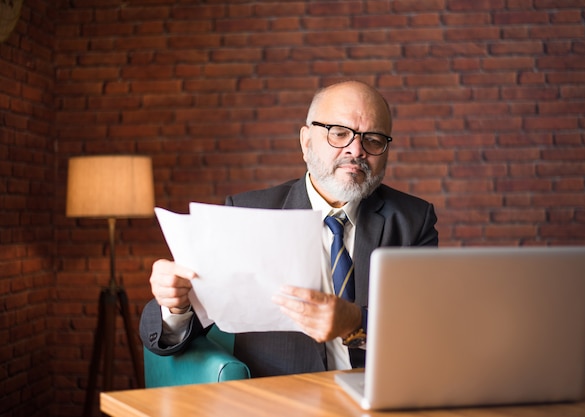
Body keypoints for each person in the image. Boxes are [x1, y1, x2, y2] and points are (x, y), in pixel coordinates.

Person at [140, 80, 438, 377]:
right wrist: (176, 307)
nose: (356, 149)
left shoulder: (413, 220)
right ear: (306, 142)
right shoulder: (249, 214)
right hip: (285, 398)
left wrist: (355, 323)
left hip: (385, 395)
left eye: (373, 139)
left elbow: (429, 327)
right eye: (339, 133)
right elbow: (191, 329)